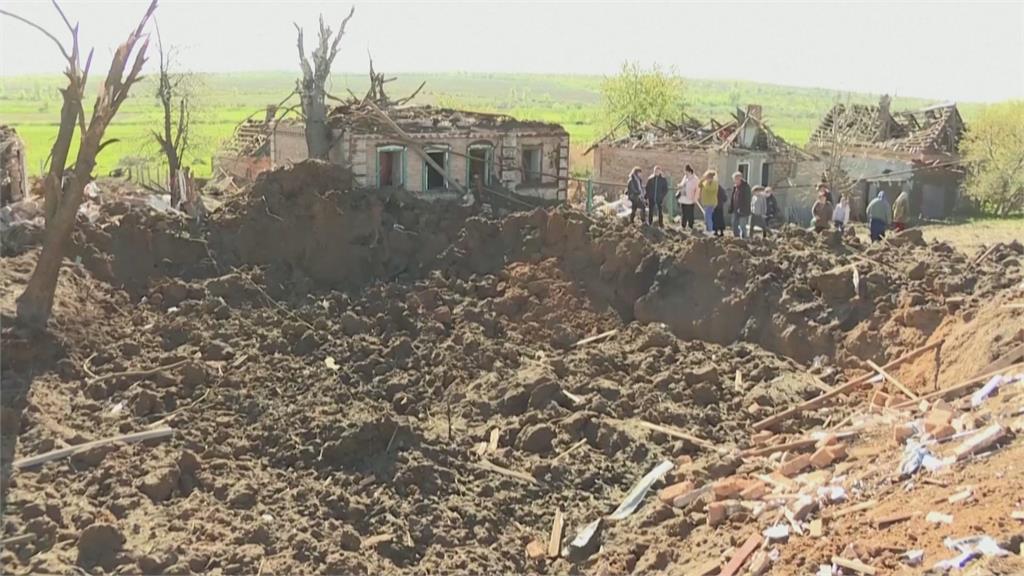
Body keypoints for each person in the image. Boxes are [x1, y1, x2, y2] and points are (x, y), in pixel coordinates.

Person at [675, 164, 699, 230]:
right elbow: (682, 184)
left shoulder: (695, 179)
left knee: (690, 213)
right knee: (684, 213)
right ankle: (683, 226)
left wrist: (695, 198)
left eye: (686, 172)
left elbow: (697, 189)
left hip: (690, 199)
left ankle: (691, 226)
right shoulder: (685, 177)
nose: (685, 173)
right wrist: (680, 186)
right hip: (683, 198)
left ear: (689, 171)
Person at [729, 171, 752, 238]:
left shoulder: (746, 187)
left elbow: (747, 199)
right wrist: (731, 207)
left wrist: (742, 208)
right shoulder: (735, 187)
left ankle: (744, 238)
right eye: (734, 179)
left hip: (743, 210)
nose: (735, 181)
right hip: (735, 209)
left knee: (742, 225)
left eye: (736, 179)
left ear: (740, 178)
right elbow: (733, 198)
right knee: (734, 224)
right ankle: (737, 237)